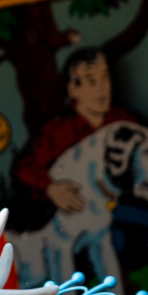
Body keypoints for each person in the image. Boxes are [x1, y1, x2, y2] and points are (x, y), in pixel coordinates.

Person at [12, 48, 135, 226]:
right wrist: (50, 188)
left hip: (123, 215)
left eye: (105, 78)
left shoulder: (125, 122)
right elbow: (23, 170)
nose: (102, 89)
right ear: (73, 89)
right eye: (91, 81)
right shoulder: (55, 132)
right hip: (77, 222)